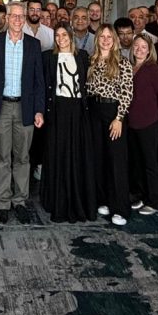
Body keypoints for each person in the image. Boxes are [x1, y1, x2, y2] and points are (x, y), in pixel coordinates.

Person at [0, 2, 45, 224]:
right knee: (2, 157)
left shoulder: (33, 44)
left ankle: (19, 201)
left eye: (22, 16)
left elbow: (39, 81)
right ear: (7, 18)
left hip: (25, 108)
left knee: (22, 157)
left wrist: (39, 110)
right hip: (1, 106)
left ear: (25, 19)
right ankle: (3, 203)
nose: (18, 20)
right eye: (14, 16)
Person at [40, 24, 95, 222]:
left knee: (77, 155)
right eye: (57, 35)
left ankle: (77, 200)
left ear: (71, 37)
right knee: (58, 154)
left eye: (64, 35)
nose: (61, 38)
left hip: (79, 112)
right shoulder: (48, 57)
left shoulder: (83, 57)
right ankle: (58, 201)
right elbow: (44, 86)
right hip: (56, 112)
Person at [86, 25, 134, 226]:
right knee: (100, 159)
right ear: (97, 39)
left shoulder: (122, 62)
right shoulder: (91, 61)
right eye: (102, 36)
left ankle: (121, 208)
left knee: (116, 161)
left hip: (113, 113)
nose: (105, 40)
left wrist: (119, 118)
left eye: (109, 37)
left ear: (114, 40)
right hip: (94, 112)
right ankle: (104, 199)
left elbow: (127, 92)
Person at [127, 34, 158, 215]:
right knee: (137, 162)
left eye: (143, 46)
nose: (139, 49)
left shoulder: (153, 68)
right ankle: (142, 195)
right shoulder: (130, 67)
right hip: (131, 122)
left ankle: (155, 200)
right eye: (136, 45)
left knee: (150, 162)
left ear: (149, 49)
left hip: (149, 123)